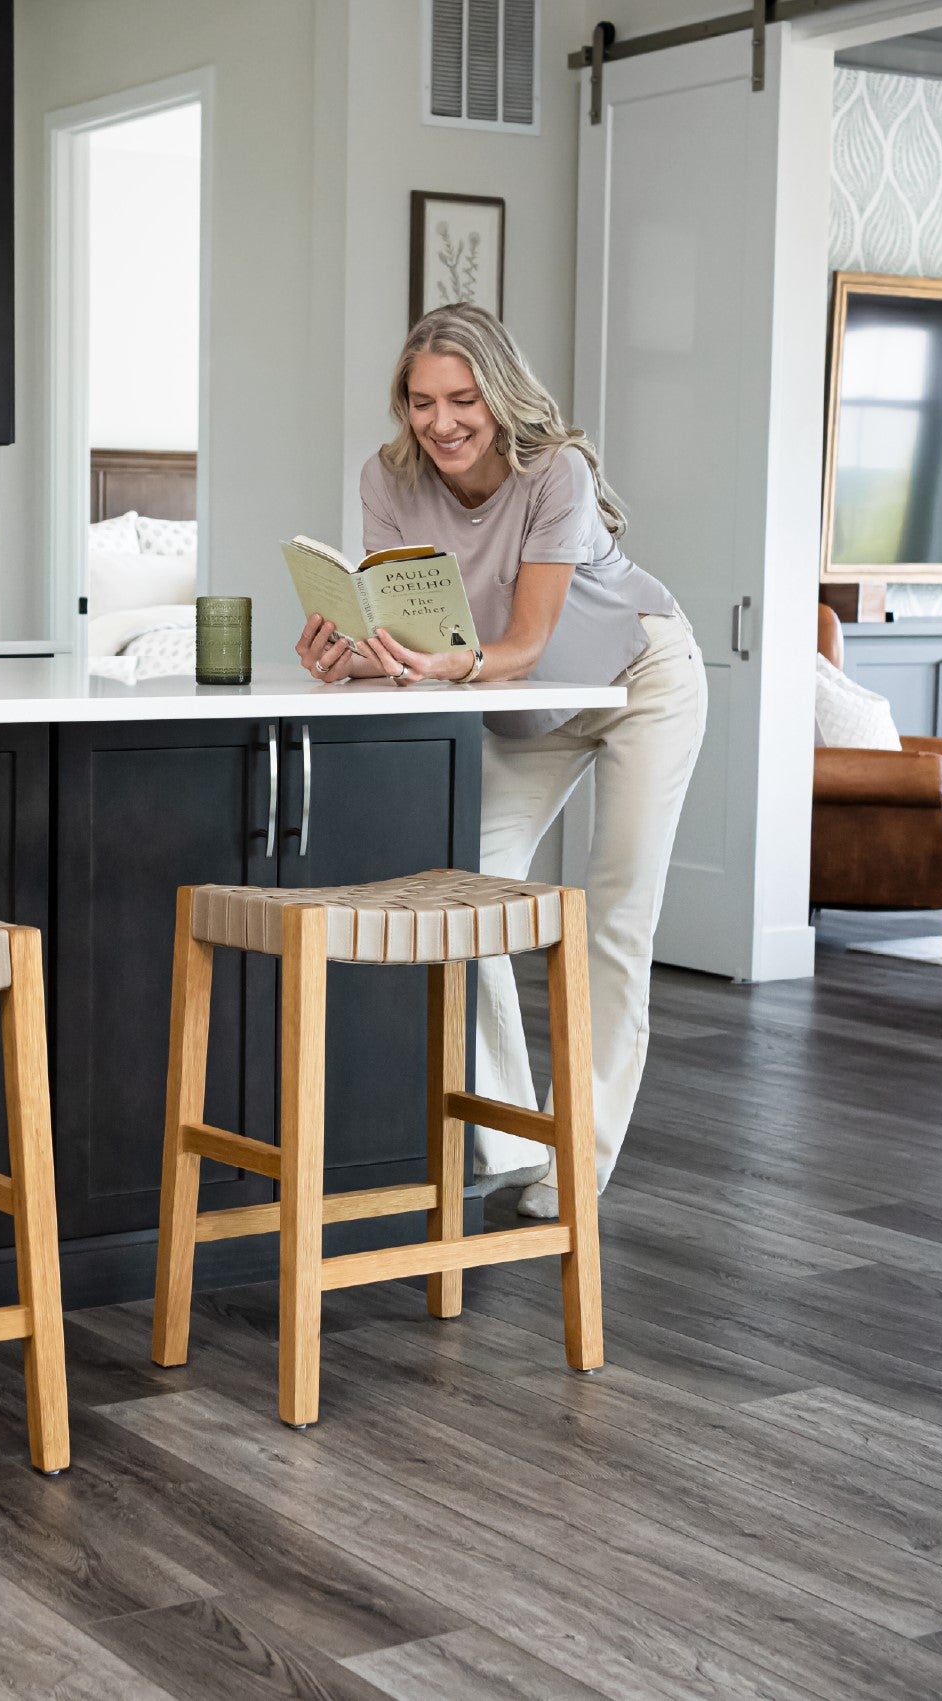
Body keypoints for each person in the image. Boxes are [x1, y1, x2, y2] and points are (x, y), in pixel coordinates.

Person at [294, 303, 706, 1218]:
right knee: (459, 893)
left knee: (613, 915)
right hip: (525, 711)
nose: (439, 422)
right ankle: (513, 1134)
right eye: (419, 400)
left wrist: (447, 665)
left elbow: (522, 639)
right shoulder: (387, 478)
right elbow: (412, 630)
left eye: (462, 399)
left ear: (500, 394)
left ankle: (576, 1162)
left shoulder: (554, 470)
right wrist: (349, 653)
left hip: (637, 678)